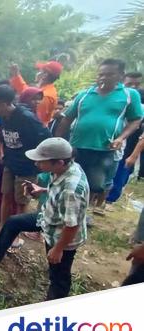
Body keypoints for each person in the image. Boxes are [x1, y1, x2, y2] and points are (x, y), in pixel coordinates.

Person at [0, 138, 89, 300]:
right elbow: (59, 189)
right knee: (13, 222)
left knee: (58, 275)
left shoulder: (71, 190)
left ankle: (54, 304)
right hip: (48, 217)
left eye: (41, 161)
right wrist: (43, 190)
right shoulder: (66, 168)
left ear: (59, 162)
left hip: (62, 235)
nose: (36, 164)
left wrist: (58, 249)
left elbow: (72, 225)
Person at [55, 59, 143, 215]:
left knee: (94, 185)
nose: (103, 78)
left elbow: (136, 119)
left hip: (104, 148)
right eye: (101, 74)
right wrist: (58, 141)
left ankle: (80, 216)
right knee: (69, 181)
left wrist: (121, 137)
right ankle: (67, 213)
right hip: (77, 147)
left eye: (109, 74)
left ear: (120, 76)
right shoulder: (84, 95)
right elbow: (67, 118)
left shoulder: (129, 95)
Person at [0, 86, 51, 245]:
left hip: (26, 167)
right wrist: (0, 151)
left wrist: (39, 163)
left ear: (4, 104)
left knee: (21, 201)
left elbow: (45, 138)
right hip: (10, 164)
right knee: (6, 196)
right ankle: (3, 229)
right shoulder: (3, 117)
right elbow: (1, 135)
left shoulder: (27, 118)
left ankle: (16, 235)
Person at [10, 61, 62, 125]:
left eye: (40, 71)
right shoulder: (43, 90)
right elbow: (27, 93)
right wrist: (16, 75)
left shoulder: (46, 96)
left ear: (45, 75)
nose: (37, 73)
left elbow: (37, 121)